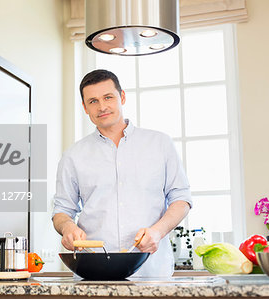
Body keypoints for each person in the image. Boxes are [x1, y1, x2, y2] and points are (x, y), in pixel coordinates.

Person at [52, 69, 192, 277]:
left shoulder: (160, 144)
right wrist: (67, 228)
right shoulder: (73, 155)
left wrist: (158, 231)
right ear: (85, 107)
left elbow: (181, 200)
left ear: (122, 97)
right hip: (92, 274)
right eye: (93, 101)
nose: (102, 107)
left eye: (108, 97)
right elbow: (61, 211)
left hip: (151, 272)